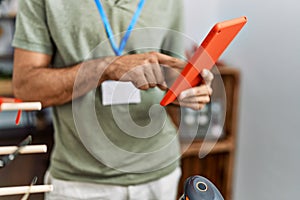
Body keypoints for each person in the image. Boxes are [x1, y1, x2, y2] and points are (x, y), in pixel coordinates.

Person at [12, 0, 213, 199]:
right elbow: (26, 87)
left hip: (159, 175)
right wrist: (106, 68)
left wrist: (188, 91)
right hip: (79, 182)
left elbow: (172, 75)